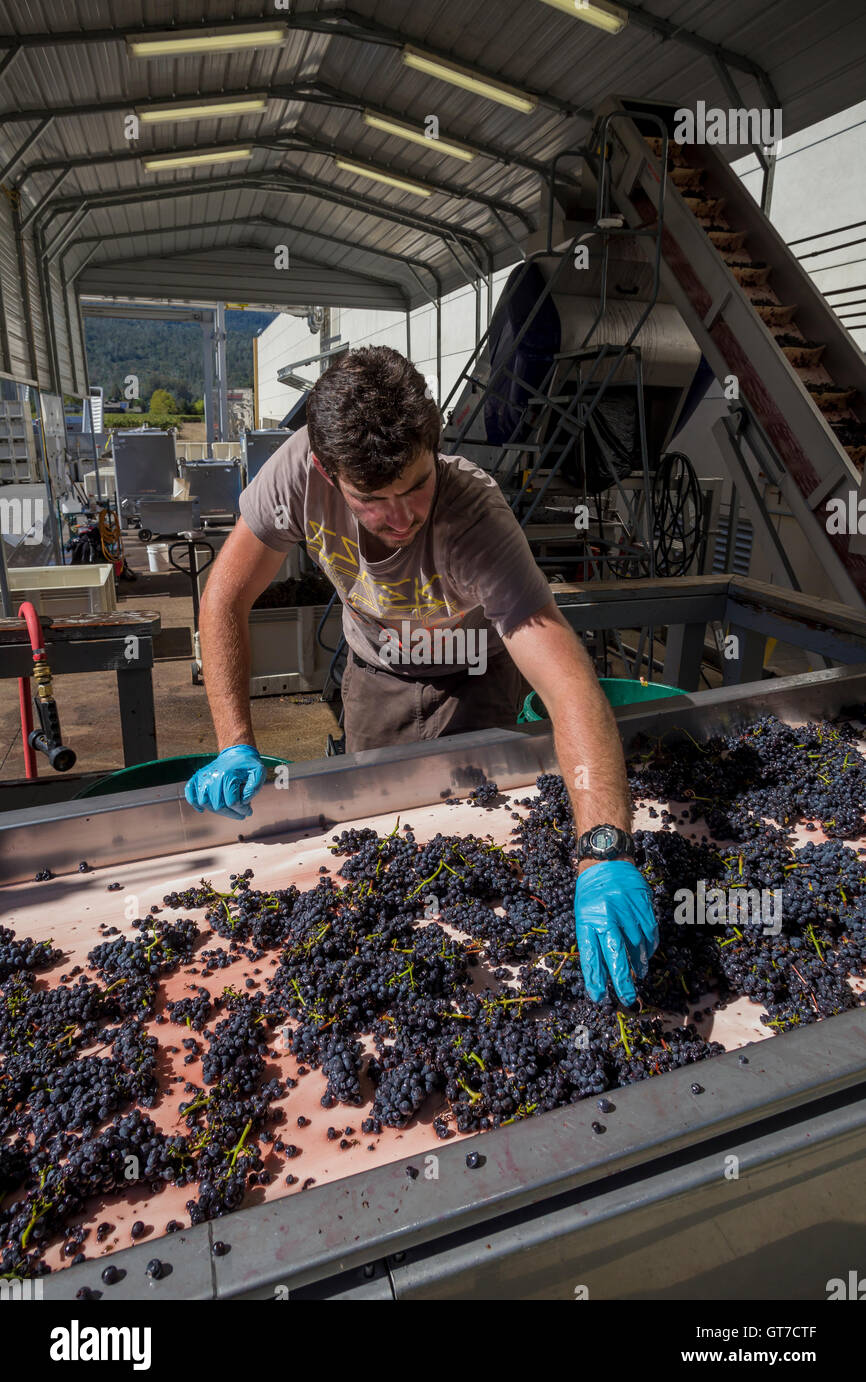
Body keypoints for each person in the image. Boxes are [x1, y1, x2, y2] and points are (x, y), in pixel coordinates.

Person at [185, 346, 657, 1004]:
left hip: (477, 678)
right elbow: (224, 595)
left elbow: (570, 685)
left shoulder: (476, 521)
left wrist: (602, 847)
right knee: (378, 855)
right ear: (327, 471)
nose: (400, 517)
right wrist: (234, 738)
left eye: (415, 487)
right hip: (375, 676)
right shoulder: (296, 472)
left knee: (483, 852)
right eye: (371, 501)